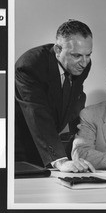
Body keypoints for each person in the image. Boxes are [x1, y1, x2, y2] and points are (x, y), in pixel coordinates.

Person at [15, 19, 95, 173]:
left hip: (49, 145)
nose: (84, 63)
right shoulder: (30, 65)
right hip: (19, 146)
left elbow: (73, 97)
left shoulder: (83, 65)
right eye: (76, 55)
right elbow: (37, 113)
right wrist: (60, 160)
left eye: (88, 55)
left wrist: (79, 140)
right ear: (58, 50)